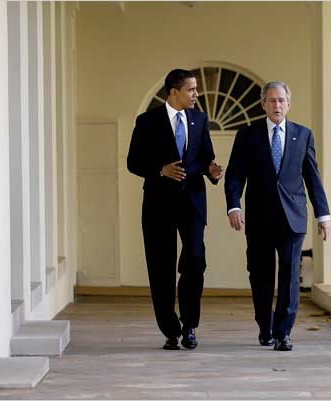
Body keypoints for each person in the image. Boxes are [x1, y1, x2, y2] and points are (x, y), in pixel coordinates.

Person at [224, 81, 330, 351]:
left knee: (289, 276)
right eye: (271, 100)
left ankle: (283, 333)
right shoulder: (247, 135)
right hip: (259, 218)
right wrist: (233, 206)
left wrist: (323, 215)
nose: (277, 105)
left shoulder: (303, 134)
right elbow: (235, 174)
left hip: (292, 218)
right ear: (263, 104)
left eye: (281, 100)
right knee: (260, 275)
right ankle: (265, 326)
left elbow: (312, 177)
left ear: (289, 104)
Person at [127, 69, 223, 350]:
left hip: (193, 201)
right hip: (158, 203)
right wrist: (160, 170)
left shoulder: (199, 118)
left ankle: (190, 325)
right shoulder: (147, 122)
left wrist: (212, 170)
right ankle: (170, 328)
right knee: (161, 267)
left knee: (194, 259)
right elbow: (133, 162)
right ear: (173, 92)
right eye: (191, 90)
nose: (196, 94)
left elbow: (206, 157)